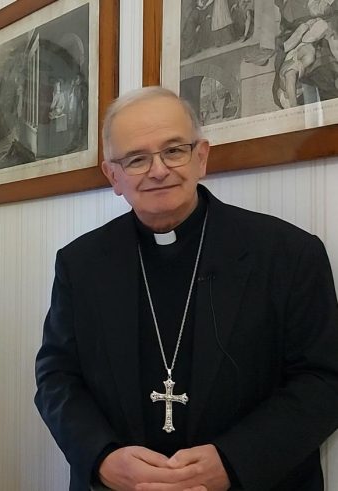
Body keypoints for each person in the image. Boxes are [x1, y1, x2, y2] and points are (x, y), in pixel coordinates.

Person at [34, 86, 338, 490]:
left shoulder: (289, 253)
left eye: (174, 150)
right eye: (137, 159)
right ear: (113, 176)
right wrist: (101, 457)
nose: (158, 170)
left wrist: (234, 461)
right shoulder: (80, 263)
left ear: (201, 157)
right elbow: (56, 377)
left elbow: (324, 380)